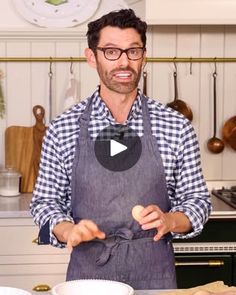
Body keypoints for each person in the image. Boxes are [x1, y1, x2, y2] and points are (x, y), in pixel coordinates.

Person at [30, 9, 212, 290]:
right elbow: (44, 204)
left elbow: (197, 201)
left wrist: (170, 220)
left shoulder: (176, 126)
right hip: (89, 278)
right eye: (112, 52)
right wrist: (70, 230)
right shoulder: (63, 128)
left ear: (144, 56)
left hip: (154, 274)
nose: (124, 61)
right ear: (92, 57)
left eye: (133, 51)